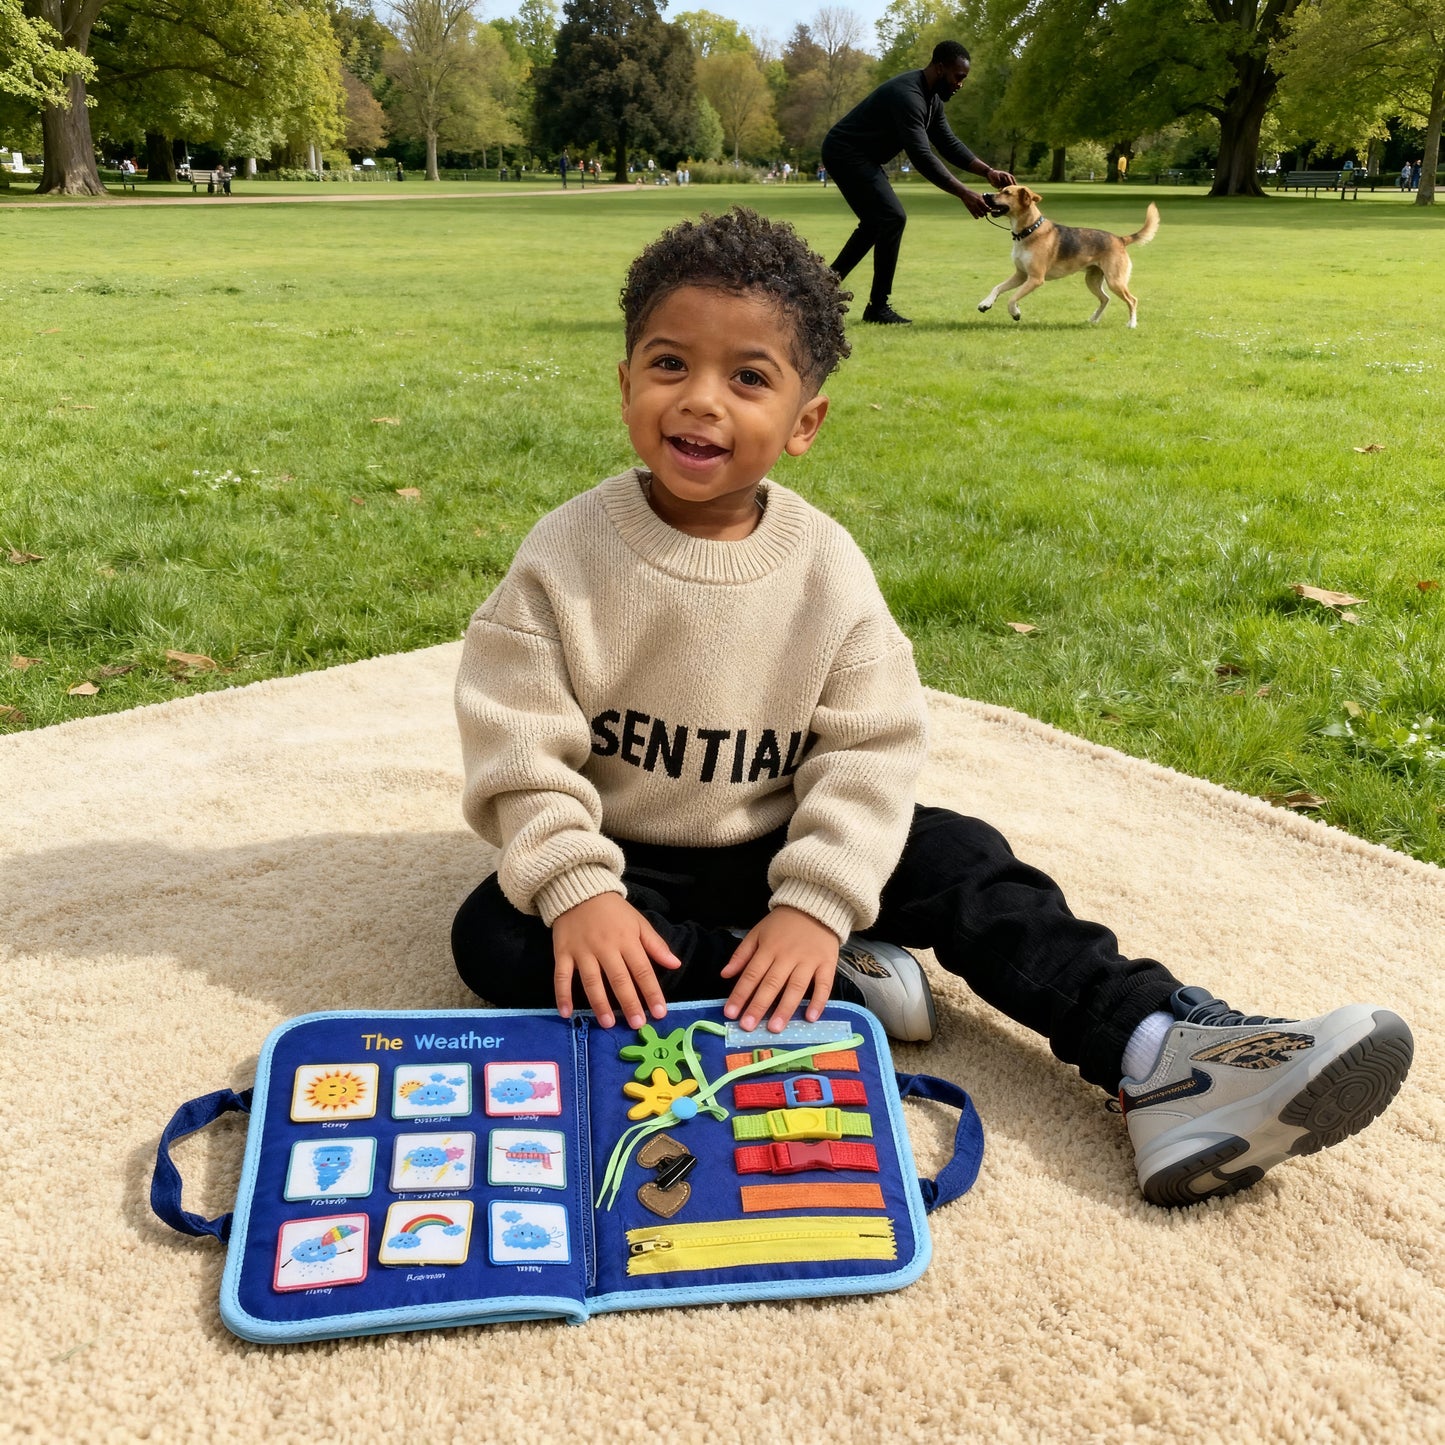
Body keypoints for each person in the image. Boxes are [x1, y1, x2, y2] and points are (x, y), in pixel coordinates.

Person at [450, 205, 1414, 1209]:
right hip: (628, 853)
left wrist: (817, 897)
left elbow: (868, 747)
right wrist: (577, 889)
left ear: (802, 422)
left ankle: (1159, 1048)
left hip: (785, 838)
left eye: (747, 377)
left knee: (963, 856)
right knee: (497, 935)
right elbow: (517, 743)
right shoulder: (564, 555)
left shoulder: (824, 568)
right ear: (622, 384)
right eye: (667, 365)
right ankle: (815, 980)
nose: (700, 402)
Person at [821, 40, 1015, 324]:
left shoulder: (932, 98)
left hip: (864, 158)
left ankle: (824, 289)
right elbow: (922, 156)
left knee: (879, 222)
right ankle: (876, 306)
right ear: (940, 68)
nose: (961, 84)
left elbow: (947, 143)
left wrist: (987, 171)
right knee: (891, 218)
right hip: (845, 152)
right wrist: (963, 193)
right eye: (958, 76)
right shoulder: (908, 95)